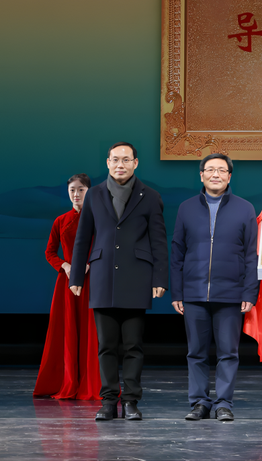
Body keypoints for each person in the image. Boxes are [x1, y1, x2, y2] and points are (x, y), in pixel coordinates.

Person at [69, 142, 168, 421]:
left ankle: (131, 401)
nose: (120, 165)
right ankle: (109, 402)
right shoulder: (94, 194)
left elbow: (159, 241)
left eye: (126, 160)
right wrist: (76, 276)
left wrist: (160, 277)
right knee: (106, 346)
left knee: (133, 346)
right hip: (102, 276)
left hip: (137, 276)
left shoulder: (150, 196)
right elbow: (83, 238)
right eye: (115, 160)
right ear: (107, 163)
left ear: (135, 163)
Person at [170, 153, 259, 422]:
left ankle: (223, 403)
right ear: (201, 175)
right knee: (196, 353)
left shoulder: (245, 208)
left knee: (228, 353)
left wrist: (249, 291)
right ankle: (199, 402)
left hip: (231, 293)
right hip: (193, 292)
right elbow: (177, 252)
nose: (215, 174)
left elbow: (251, 254)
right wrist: (177, 291)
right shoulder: (186, 208)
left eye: (221, 170)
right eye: (210, 170)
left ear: (229, 176)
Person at [34, 173, 100, 400]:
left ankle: (91, 383)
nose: (76, 194)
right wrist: (65, 265)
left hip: (92, 281)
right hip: (67, 282)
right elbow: (49, 252)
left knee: (92, 331)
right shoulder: (60, 220)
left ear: (89, 192)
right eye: (72, 190)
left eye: (81, 189)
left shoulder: (99, 219)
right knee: (66, 330)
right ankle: (67, 381)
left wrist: (90, 264)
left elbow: (106, 248)